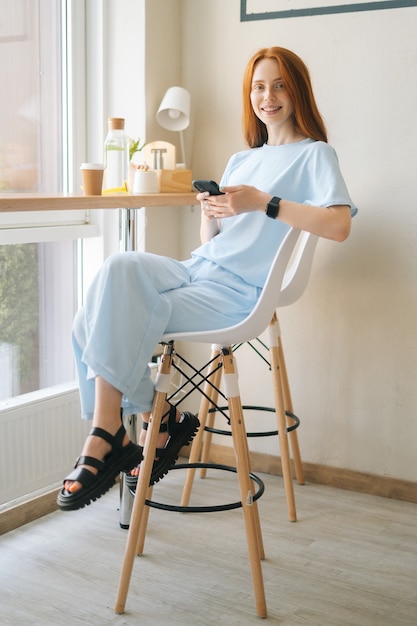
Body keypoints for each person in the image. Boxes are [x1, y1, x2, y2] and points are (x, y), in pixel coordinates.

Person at [58, 46, 357, 511]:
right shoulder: (241, 159)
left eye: (279, 85)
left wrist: (264, 202)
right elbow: (214, 239)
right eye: (259, 86)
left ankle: (111, 431)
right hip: (198, 268)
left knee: (105, 314)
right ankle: (148, 422)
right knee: (116, 272)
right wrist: (212, 211)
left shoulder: (316, 155)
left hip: (240, 292)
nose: (268, 96)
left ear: (297, 91)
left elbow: (338, 226)